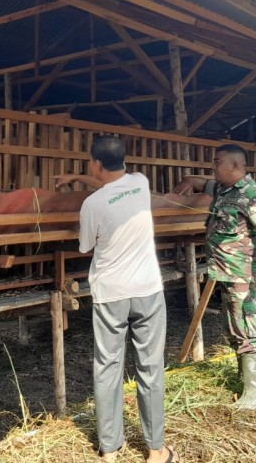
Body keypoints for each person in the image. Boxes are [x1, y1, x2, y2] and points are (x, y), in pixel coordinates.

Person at [55, 135, 178, 463]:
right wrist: (79, 178)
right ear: (123, 159)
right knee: (150, 367)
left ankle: (110, 449)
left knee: (107, 367)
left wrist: (79, 184)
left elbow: (84, 246)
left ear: (95, 163)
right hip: (148, 290)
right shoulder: (141, 183)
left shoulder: (92, 205)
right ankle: (155, 450)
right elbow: (109, 181)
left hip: (111, 293)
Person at [174, 143, 256, 410]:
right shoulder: (222, 189)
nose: (213, 167)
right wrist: (187, 181)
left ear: (235, 165)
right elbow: (199, 182)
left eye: (217, 162)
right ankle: (246, 384)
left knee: (249, 329)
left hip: (245, 275)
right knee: (234, 328)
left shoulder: (254, 195)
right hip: (227, 273)